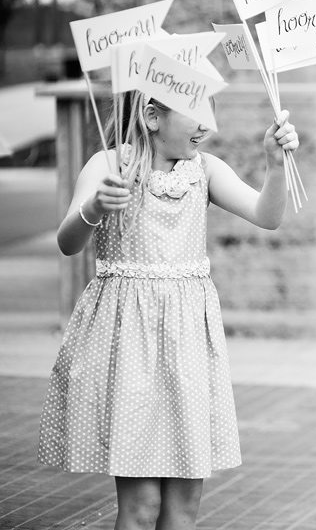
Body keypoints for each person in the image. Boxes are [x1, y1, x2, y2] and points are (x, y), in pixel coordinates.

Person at [37, 90, 298, 530]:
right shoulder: (108, 166)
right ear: (152, 116)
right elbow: (67, 243)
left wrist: (275, 166)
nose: (207, 124)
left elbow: (266, 216)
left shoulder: (206, 170)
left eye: (210, 110)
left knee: (184, 507)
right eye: (196, 111)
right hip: (128, 348)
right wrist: (94, 206)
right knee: (140, 507)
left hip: (188, 347)